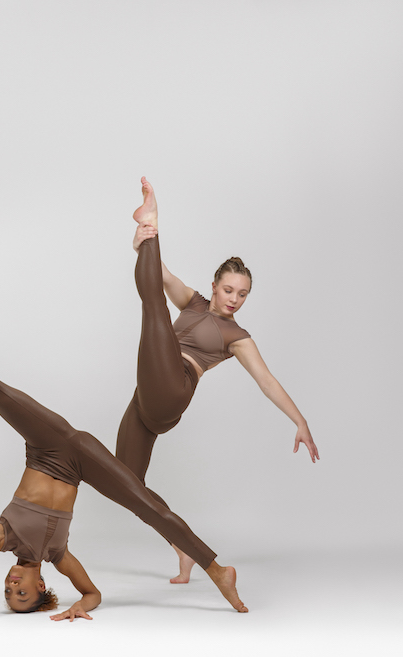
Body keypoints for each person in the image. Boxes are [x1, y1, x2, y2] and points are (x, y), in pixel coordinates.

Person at [0, 322, 249, 623]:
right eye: (21, 593)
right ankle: (218, 571)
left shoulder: (3, 538)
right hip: (80, 462)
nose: (12, 585)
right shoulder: (59, 556)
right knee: (146, 504)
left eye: (7, 592)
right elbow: (93, 594)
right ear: (42, 586)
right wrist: (79, 606)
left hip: (48, 445)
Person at [116, 177, 320, 584]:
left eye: (243, 294)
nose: (234, 299)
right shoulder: (192, 301)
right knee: (125, 486)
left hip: (173, 388)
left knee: (153, 308)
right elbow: (160, 273)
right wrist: (139, 244)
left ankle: (154, 215)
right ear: (214, 286)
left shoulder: (236, 337)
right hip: (145, 402)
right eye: (229, 290)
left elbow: (266, 381)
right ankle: (185, 549)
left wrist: (300, 420)